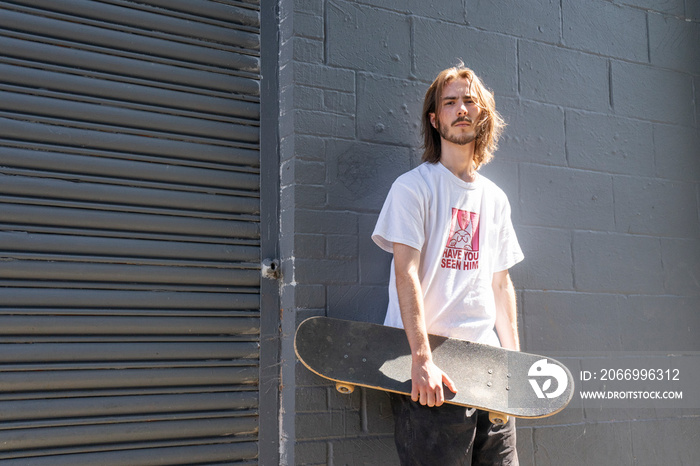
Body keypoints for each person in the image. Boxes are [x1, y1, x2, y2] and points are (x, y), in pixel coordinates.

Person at [372, 63, 524, 465]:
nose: (461, 109)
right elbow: (405, 273)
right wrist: (421, 360)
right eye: (450, 102)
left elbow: (500, 285)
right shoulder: (412, 188)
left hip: (489, 370)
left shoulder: (496, 199)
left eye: (469, 101)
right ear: (435, 119)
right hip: (431, 375)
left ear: (482, 114)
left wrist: (515, 367)